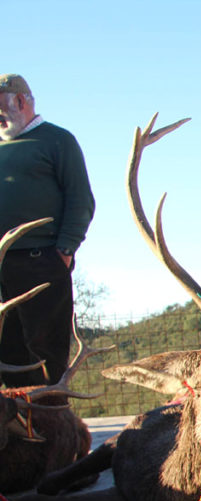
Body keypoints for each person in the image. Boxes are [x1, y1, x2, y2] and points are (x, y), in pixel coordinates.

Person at [0, 74, 94, 388]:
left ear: (20, 101)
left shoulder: (57, 140)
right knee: (7, 352)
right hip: (1, 265)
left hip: (41, 260)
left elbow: (81, 199)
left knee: (44, 349)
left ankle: (51, 421)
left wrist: (64, 250)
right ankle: (17, 429)